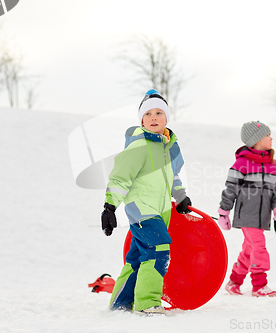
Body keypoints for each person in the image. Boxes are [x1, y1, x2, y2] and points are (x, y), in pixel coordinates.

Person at [101, 89, 192, 315]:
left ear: (166, 118)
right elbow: (120, 178)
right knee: (158, 250)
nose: (153, 118)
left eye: (159, 113)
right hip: (142, 210)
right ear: (141, 119)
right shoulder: (138, 146)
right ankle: (147, 302)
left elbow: (174, 176)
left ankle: (120, 302)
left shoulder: (170, 148)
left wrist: (180, 195)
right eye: (148, 114)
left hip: (161, 211)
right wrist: (110, 206)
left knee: (137, 258)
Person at [218, 121, 276, 297]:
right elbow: (230, 189)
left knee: (249, 250)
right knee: (258, 246)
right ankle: (259, 285)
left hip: (263, 216)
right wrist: (224, 212)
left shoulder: (274, 165)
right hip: (246, 214)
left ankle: (234, 282)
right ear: (256, 140)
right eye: (267, 135)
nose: (271, 138)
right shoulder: (241, 163)